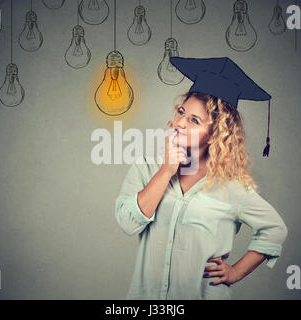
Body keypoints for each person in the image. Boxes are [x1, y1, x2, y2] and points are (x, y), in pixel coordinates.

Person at [115, 57, 288, 300]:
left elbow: (274, 229)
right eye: (181, 113)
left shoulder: (232, 188)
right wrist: (165, 172)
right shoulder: (147, 167)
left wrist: (236, 271)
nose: (179, 123)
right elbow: (127, 223)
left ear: (215, 134)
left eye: (193, 121)